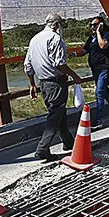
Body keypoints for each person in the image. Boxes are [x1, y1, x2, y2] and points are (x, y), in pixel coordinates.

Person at [25, 13, 82, 162]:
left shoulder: (34, 39)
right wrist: (74, 75)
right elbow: (59, 64)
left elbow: (28, 65)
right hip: (55, 82)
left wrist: (32, 84)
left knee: (59, 112)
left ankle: (68, 142)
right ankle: (42, 149)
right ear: (57, 25)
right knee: (55, 115)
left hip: (43, 83)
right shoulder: (55, 39)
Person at [82, 13, 109, 129]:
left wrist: (99, 32)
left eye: (94, 25)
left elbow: (102, 45)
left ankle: (98, 119)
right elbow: (85, 50)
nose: (92, 27)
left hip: (104, 68)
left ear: (100, 25)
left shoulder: (106, 35)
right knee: (104, 92)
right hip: (95, 69)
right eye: (91, 25)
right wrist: (74, 54)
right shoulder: (91, 38)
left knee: (99, 92)